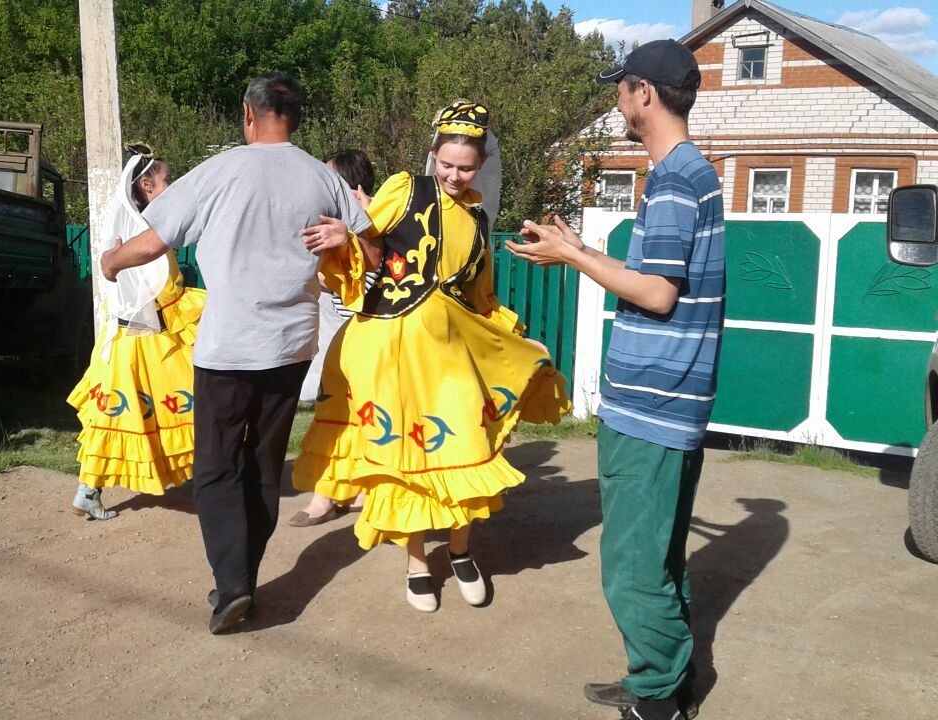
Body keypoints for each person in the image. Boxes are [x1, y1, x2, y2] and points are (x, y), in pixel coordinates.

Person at [98, 73, 371, 634]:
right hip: (294, 346)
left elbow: (155, 239)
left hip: (228, 349)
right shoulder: (323, 177)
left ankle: (233, 587)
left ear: (250, 114)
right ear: (294, 118)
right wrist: (344, 237)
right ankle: (240, 576)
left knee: (217, 467)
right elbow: (372, 244)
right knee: (263, 463)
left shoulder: (218, 170)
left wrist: (111, 262)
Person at [507, 40, 724, 720]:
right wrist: (584, 249)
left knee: (631, 566)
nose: (617, 103)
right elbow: (655, 279)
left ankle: (657, 699)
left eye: (622, 91)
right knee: (657, 558)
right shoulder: (690, 174)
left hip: (653, 407)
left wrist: (573, 256)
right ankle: (661, 676)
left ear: (646, 96)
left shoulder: (674, 181)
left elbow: (657, 295)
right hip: (669, 404)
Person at [293, 101, 572, 613]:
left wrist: (514, 344)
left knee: (465, 444)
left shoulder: (478, 220)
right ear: (432, 156)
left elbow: (480, 299)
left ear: (482, 163)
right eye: (446, 164)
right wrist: (343, 235)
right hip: (390, 349)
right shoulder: (404, 189)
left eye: (466, 167)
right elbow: (367, 243)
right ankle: (417, 562)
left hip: (449, 353)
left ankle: (462, 552)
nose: (454, 175)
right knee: (407, 461)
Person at [66, 144, 201, 521]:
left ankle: (87, 491)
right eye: (166, 180)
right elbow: (156, 291)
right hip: (149, 342)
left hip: (129, 340)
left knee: (114, 415)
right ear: (145, 185)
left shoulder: (137, 228)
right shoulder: (144, 234)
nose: (170, 186)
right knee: (196, 403)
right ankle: (216, 483)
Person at [291, 149, 378, 527]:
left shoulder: (377, 223)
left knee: (372, 419)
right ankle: (324, 497)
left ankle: (363, 489)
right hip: (336, 346)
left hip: (373, 345)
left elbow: (366, 280)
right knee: (333, 418)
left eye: (329, 177)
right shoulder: (322, 227)